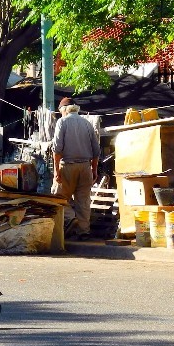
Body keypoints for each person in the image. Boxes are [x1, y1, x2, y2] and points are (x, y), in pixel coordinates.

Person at [51, 97, 100, 240]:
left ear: (64, 110)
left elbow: (57, 150)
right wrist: (94, 170)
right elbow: (96, 151)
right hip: (86, 167)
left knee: (57, 198)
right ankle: (84, 232)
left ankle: (71, 218)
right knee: (83, 201)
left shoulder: (62, 122)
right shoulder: (87, 123)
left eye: (60, 112)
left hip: (67, 166)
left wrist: (56, 171)